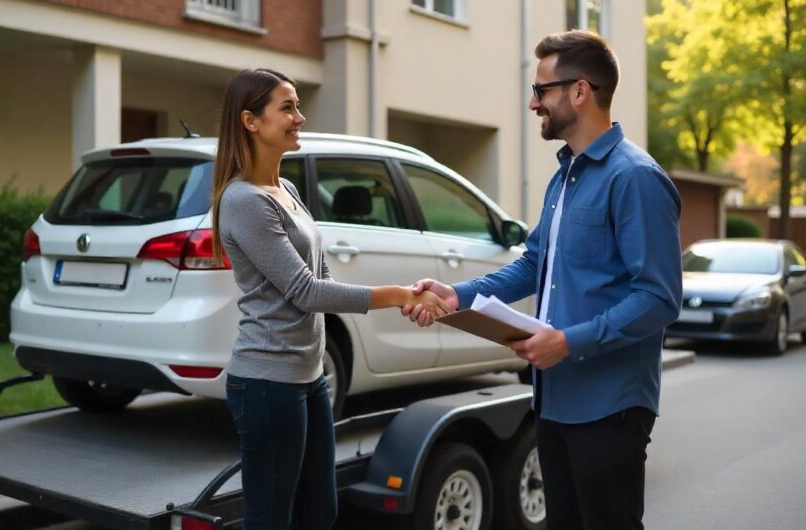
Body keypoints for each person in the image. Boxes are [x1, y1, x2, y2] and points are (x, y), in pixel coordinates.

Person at [403, 31, 682, 530]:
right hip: (552, 400)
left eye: (541, 90)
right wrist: (457, 295)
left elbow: (659, 298)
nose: (533, 103)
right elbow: (534, 264)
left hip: (610, 407)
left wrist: (568, 342)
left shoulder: (635, 177)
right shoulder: (564, 175)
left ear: (580, 91)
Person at [211, 68, 451, 530]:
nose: (299, 117)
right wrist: (399, 294)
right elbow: (306, 291)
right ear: (250, 121)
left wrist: (393, 296)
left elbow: (322, 277)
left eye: (298, 106)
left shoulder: (286, 190)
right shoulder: (245, 201)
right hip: (267, 382)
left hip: (309, 375)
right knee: (270, 519)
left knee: (321, 511)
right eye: (287, 108)